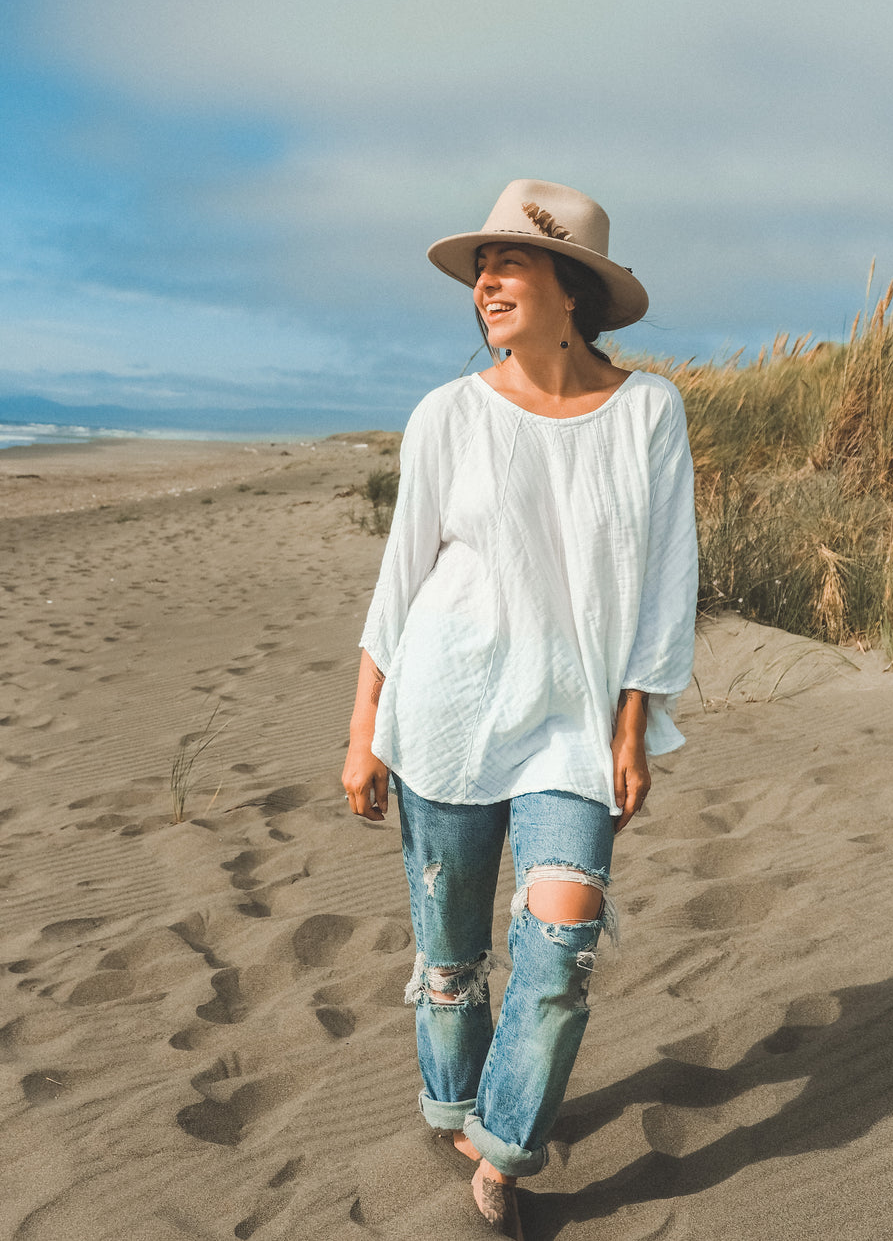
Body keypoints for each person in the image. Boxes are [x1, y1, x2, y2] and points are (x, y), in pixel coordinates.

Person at [342, 179, 697, 1238]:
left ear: (572, 287)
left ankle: (500, 1152)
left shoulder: (649, 411)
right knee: (450, 966)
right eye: (480, 272)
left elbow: (668, 582)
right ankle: (453, 1106)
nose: (486, 284)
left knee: (562, 936)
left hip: (573, 728)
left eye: (510, 264)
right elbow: (402, 580)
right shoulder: (447, 414)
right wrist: (363, 725)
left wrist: (633, 722)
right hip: (445, 712)